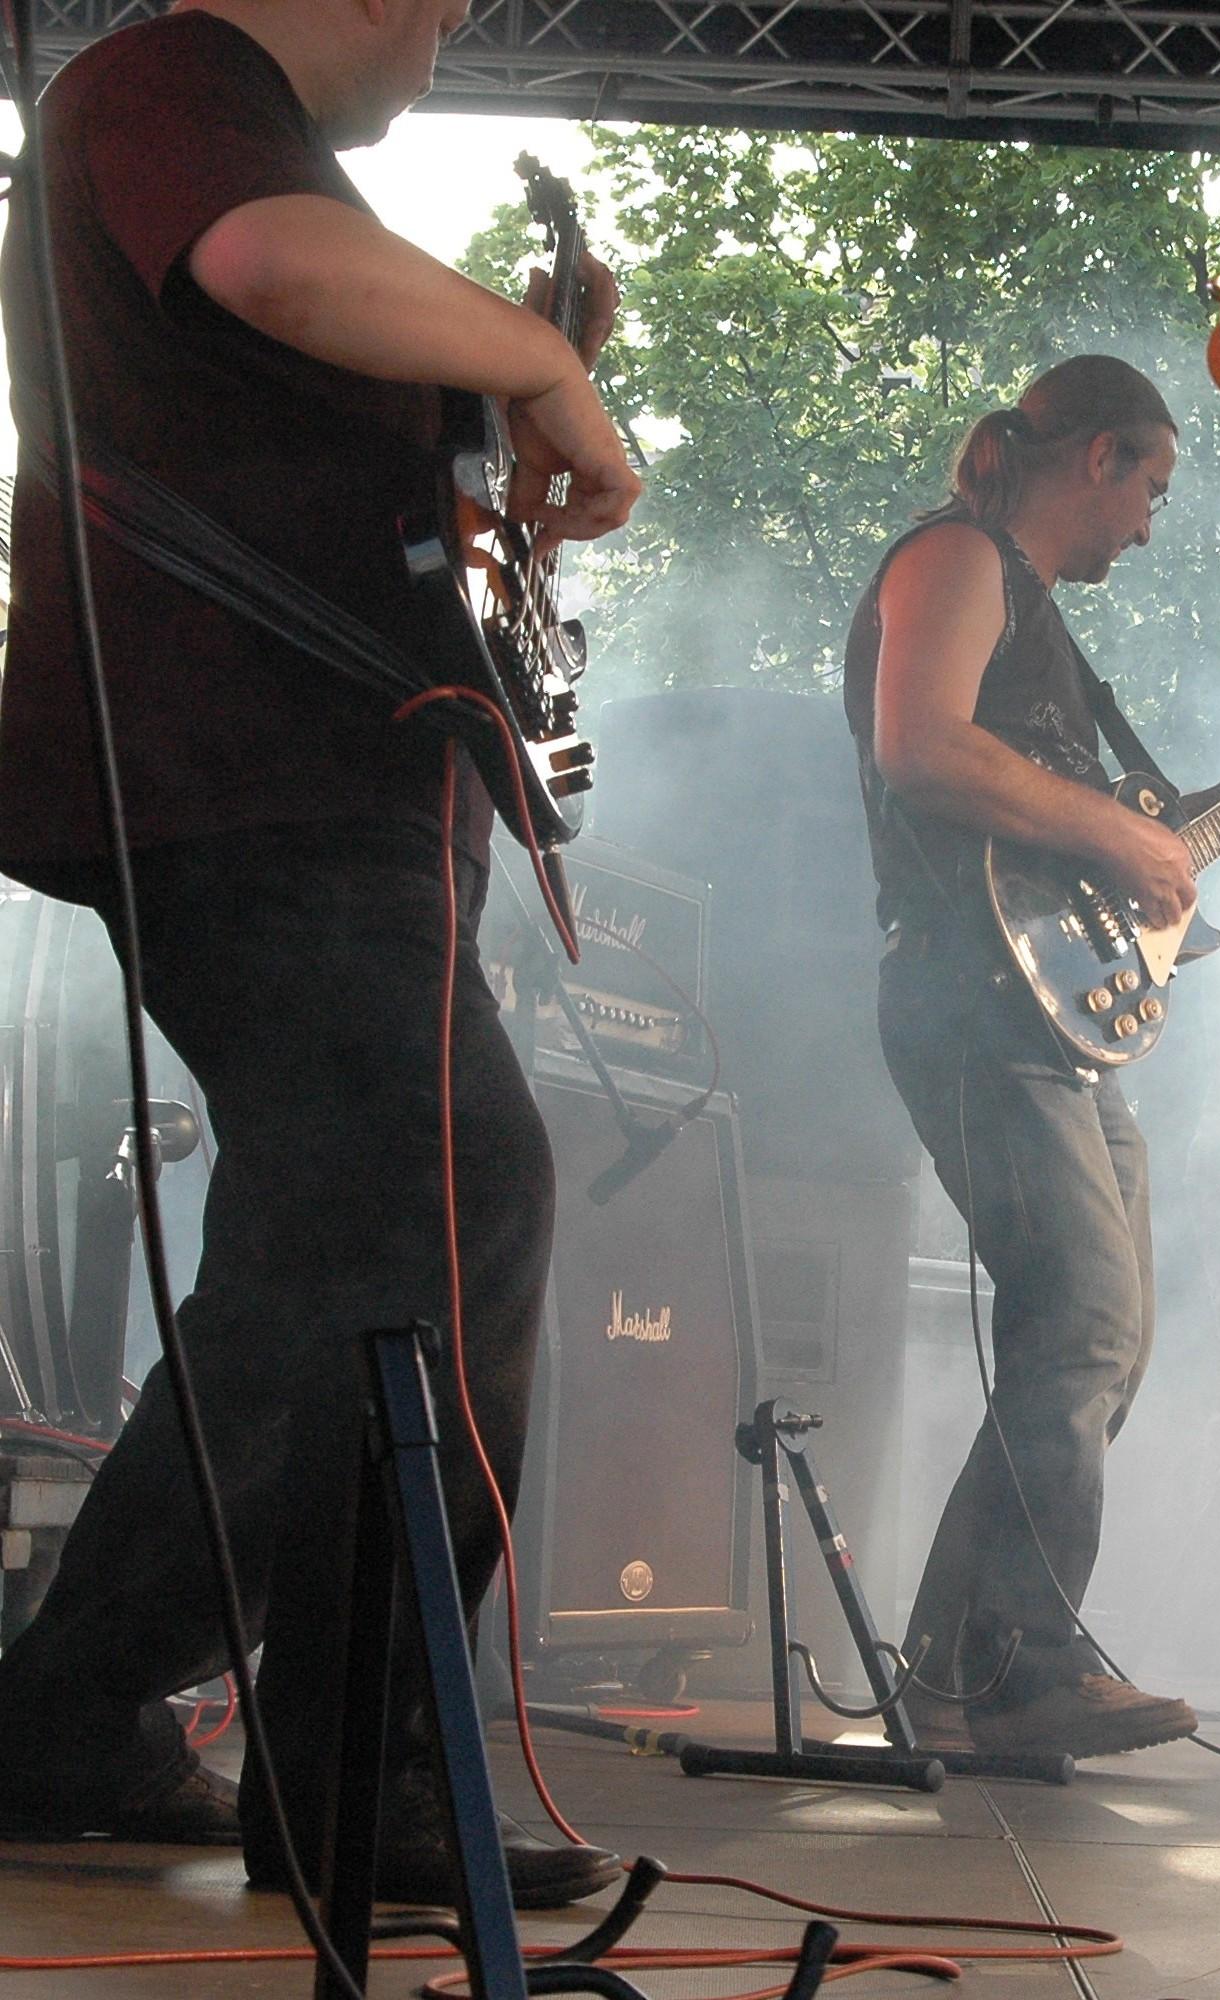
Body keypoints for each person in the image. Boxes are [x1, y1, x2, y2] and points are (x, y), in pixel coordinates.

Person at [0, 0, 641, 1909]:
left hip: (292, 782)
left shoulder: (230, 129)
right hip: (254, 777)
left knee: (310, 1275)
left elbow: (349, 451)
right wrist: (541, 357)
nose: (448, 31)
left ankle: (64, 1719)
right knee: (459, 1198)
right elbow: (272, 264)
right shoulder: (175, 80)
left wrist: (497, 419)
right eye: (443, 2)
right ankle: (363, 1775)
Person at [843, 355, 1220, 1758]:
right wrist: (1122, 833)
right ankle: (1010, 1670)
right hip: (968, 999)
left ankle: (962, 1669)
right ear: (1099, 456)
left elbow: (1089, 850)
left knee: (1108, 1336)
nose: (1152, 525)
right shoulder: (954, 556)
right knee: (1087, 1322)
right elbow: (921, 748)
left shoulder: (1041, 626)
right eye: (1152, 486)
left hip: (1042, 1015)